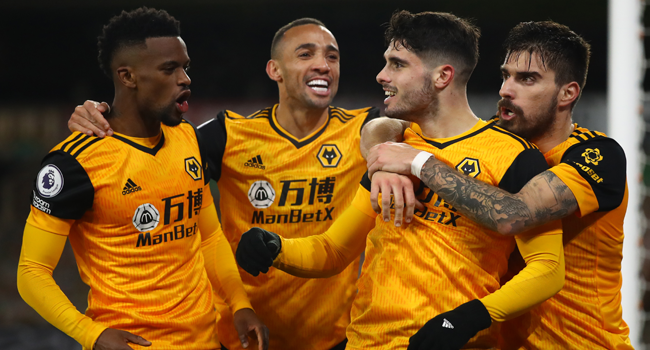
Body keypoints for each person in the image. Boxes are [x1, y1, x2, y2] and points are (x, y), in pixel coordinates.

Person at [235, 11, 565, 350]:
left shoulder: (515, 157)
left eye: (397, 64)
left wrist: (469, 318)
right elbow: (332, 251)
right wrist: (275, 247)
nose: (381, 75)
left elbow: (548, 269)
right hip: (365, 343)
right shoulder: (393, 152)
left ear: (442, 76)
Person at [67, 18, 380, 350]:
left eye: (332, 57)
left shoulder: (364, 130)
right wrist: (100, 116)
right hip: (238, 335)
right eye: (306, 54)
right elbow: (148, 150)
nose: (323, 65)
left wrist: (385, 141)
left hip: (332, 338)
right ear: (275, 70)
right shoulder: (230, 134)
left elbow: (404, 129)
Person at [365, 21, 632, 349]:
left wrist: (416, 162)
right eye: (506, 75)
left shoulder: (597, 156)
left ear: (568, 93)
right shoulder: (495, 145)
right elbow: (385, 124)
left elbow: (513, 214)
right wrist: (381, 164)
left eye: (527, 79)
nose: (506, 89)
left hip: (583, 343)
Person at [17, 7, 268, 350]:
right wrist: (90, 333)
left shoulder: (188, 138)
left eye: (185, 67)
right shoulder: (74, 162)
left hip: (205, 341)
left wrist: (240, 304)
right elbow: (31, 272)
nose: (185, 79)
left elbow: (209, 237)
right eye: (169, 69)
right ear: (128, 76)